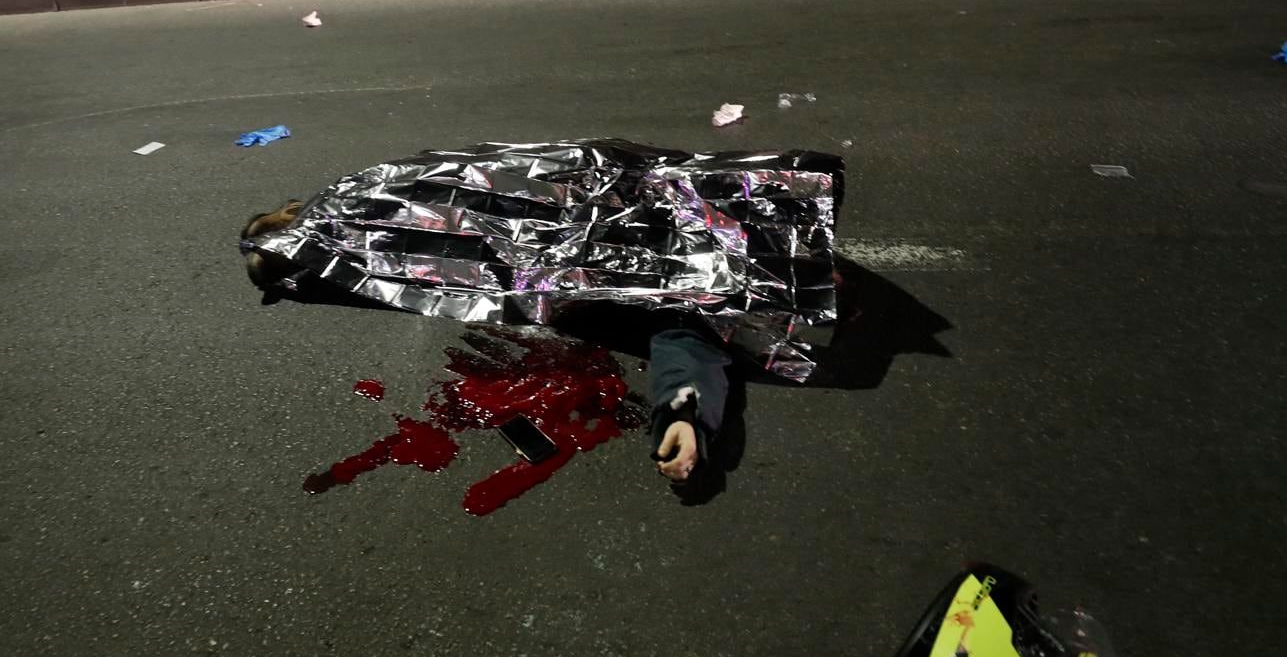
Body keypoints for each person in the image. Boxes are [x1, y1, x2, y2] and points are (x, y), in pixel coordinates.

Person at [239, 140, 847, 492]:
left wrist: (683, 414)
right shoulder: (677, 251)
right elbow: (686, 332)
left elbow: (686, 334)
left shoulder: (680, 265)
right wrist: (683, 415)